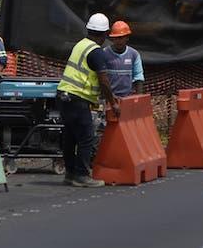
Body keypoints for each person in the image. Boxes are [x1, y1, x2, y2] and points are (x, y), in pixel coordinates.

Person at [56, 13, 120, 188]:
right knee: (86, 138)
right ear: (105, 34)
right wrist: (112, 102)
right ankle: (82, 175)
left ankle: (70, 174)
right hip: (77, 98)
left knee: (70, 137)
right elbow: (104, 80)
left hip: (64, 95)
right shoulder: (96, 52)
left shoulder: (80, 45)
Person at [103, 20, 144, 97]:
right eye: (116, 38)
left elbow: (138, 76)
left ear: (127, 38)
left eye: (121, 38)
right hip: (109, 97)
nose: (119, 41)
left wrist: (139, 98)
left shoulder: (134, 54)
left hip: (127, 97)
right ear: (112, 38)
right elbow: (101, 77)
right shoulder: (105, 53)